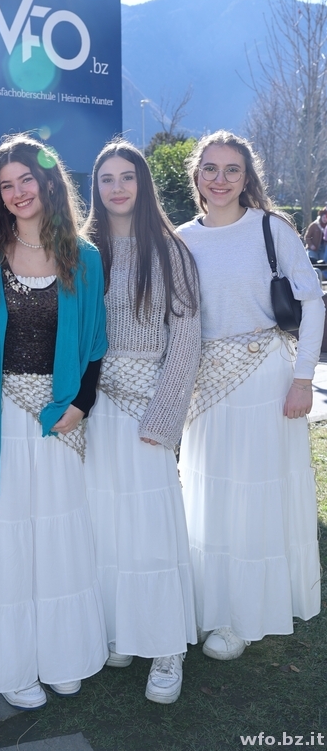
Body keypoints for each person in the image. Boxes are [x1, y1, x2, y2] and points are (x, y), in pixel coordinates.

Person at [0, 134, 108, 710]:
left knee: (60, 534)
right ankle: (16, 666)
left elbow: (95, 343)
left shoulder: (83, 257)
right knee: (8, 538)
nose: (18, 192)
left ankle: (63, 655)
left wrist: (81, 404)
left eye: (27, 179)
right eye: (6, 185)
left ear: (48, 182)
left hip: (59, 416)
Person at [178, 130, 324, 662]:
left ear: (247, 177)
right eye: (210, 169)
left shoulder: (271, 228)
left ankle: (244, 613)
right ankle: (210, 602)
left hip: (266, 378)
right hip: (206, 386)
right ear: (196, 176)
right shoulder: (181, 238)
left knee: (255, 492)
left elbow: (313, 301)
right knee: (211, 495)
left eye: (232, 169)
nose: (220, 179)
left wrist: (303, 379)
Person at [83, 140, 200, 704]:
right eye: (107, 178)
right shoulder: (82, 249)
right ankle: (122, 629)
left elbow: (187, 338)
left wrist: (164, 415)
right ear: (95, 188)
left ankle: (166, 646)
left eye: (127, 176)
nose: (117, 188)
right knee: (104, 521)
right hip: (94, 408)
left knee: (151, 525)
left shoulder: (171, 251)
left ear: (143, 184)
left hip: (148, 405)